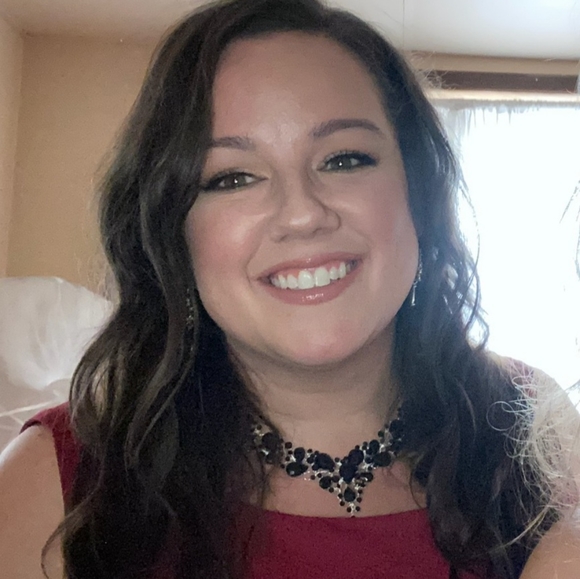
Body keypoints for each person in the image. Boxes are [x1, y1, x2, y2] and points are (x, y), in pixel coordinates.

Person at [1, 0, 579, 577]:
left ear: (418, 194)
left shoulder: (535, 427)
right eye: (232, 178)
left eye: (345, 159)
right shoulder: (53, 480)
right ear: (171, 232)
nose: (302, 214)